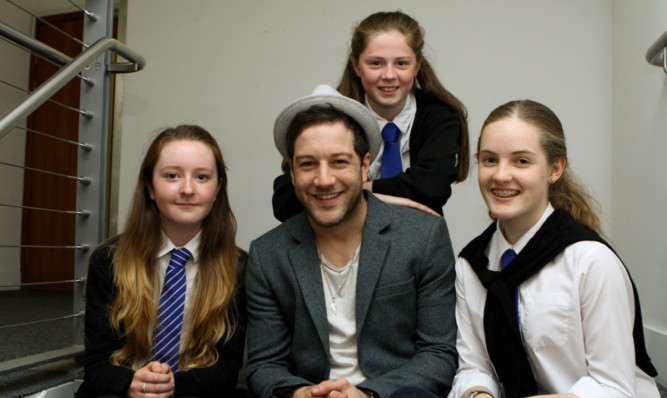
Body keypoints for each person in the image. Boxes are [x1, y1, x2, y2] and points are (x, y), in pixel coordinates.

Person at [246, 85, 458, 398]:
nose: (324, 179)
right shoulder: (267, 254)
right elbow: (263, 365)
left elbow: (439, 355)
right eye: (307, 164)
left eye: (339, 162)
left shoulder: (423, 236)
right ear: (291, 173)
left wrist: (368, 394)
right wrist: (300, 394)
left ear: (364, 166)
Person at [449, 100, 659, 398]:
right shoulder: (471, 266)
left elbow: (612, 387)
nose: (501, 175)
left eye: (521, 161)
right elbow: (474, 367)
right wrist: (479, 393)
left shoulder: (590, 261)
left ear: (555, 169)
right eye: (490, 159)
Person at [77, 125, 246, 398]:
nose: (187, 189)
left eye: (202, 177)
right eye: (172, 176)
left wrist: (171, 387)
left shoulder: (239, 267)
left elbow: (227, 369)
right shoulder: (108, 260)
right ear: (150, 187)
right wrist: (132, 384)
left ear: (217, 189)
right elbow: (96, 365)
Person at [272, 10, 469, 221]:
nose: (389, 75)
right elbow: (285, 202)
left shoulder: (439, 116)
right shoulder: (333, 120)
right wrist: (384, 195)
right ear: (356, 66)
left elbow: (433, 186)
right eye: (376, 63)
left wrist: (358, 190)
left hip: (418, 242)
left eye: (401, 63)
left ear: (417, 66)